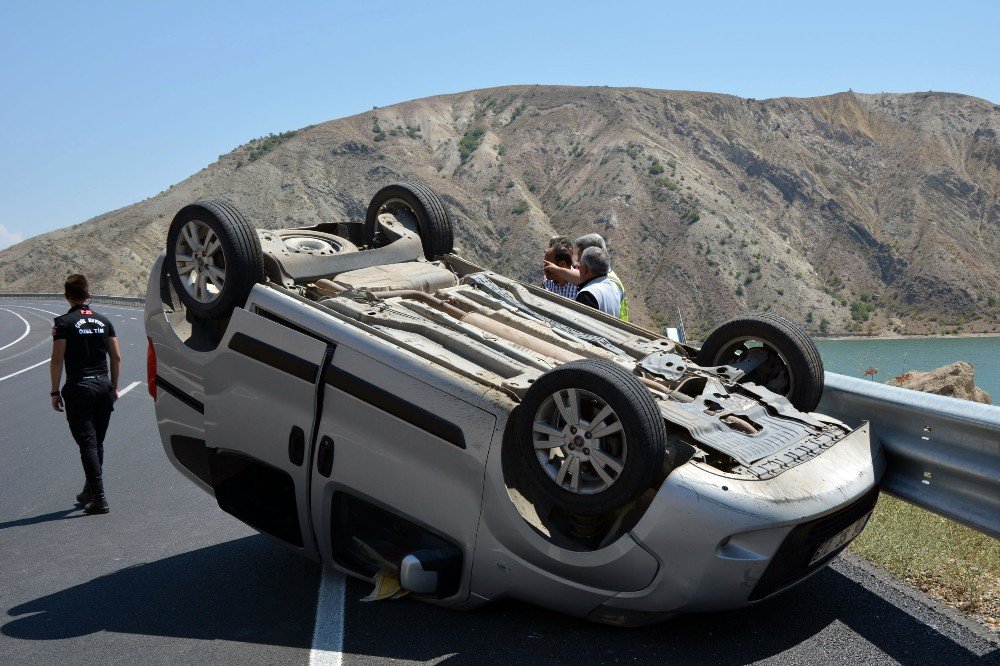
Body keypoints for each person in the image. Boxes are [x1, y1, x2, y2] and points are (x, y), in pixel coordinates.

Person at [50, 274, 121, 515]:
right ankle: (90, 489)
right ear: (88, 293)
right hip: (103, 386)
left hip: (80, 388)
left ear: (67, 296)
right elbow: (117, 357)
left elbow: (57, 359)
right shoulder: (104, 321)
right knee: (96, 442)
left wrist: (54, 391)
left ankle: (99, 497)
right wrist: (115, 386)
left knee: (87, 444)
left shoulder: (63, 323)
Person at [544, 233, 630, 321]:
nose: (577, 261)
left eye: (580, 257)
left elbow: (580, 327)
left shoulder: (588, 295)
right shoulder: (608, 281)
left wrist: (556, 270)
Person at [575, 246, 622, 317]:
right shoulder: (614, 288)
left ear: (586, 269)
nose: (579, 269)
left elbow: (578, 324)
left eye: (580, 265)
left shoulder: (587, 295)